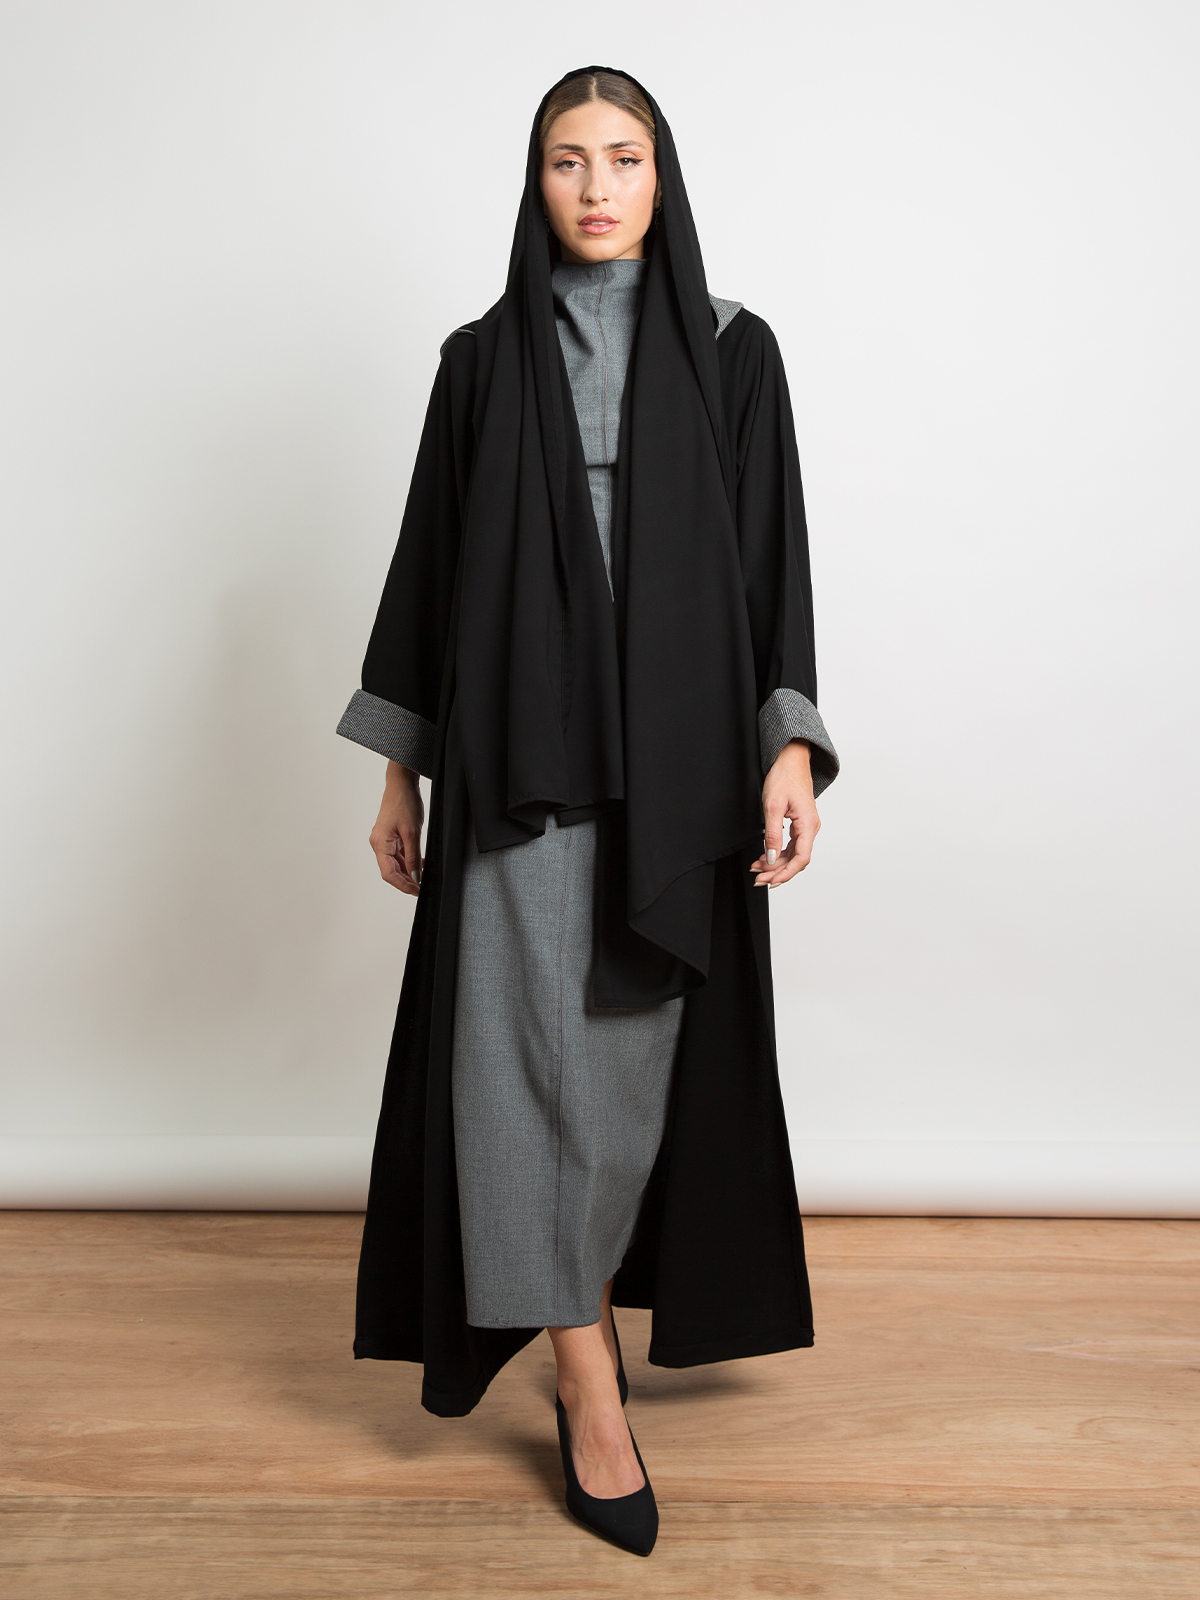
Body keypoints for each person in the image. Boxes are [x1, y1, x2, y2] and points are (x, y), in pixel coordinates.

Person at [336, 65, 839, 1557]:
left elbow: (772, 561)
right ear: (535, 180)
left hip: (682, 762)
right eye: (569, 160)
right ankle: (579, 1374)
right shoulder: (480, 361)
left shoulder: (734, 352)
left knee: (628, 1067)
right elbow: (432, 567)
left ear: (661, 177)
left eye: (624, 158)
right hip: (517, 754)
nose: (598, 187)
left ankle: (595, 1301)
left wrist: (788, 747)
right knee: (507, 1064)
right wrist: (400, 765)